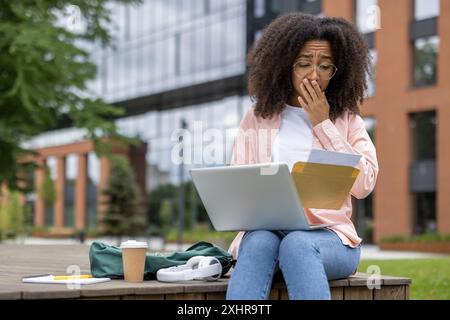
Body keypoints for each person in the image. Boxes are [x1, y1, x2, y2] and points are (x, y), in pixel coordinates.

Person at [225, 12, 379, 300]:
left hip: (331, 242)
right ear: (285, 65)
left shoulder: (347, 121)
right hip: (267, 239)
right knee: (257, 242)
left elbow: (365, 183)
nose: (313, 74)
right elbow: (239, 185)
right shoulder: (257, 118)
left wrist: (323, 124)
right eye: (304, 63)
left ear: (338, 70)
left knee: (297, 243)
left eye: (325, 66)